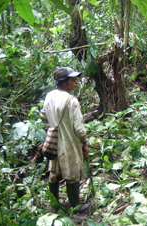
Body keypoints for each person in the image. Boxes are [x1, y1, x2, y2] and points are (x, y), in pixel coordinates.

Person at [41, 67, 91, 212]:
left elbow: (44, 115)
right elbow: (79, 128)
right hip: (69, 142)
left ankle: (54, 204)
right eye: (73, 80)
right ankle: (75, 205)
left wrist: (54, 122)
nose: (76, 82)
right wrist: (84, 143)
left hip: (53, 141)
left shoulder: (49, 95)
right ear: (64, 83)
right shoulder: (71, 100)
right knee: (73, 171)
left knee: (54, 170)